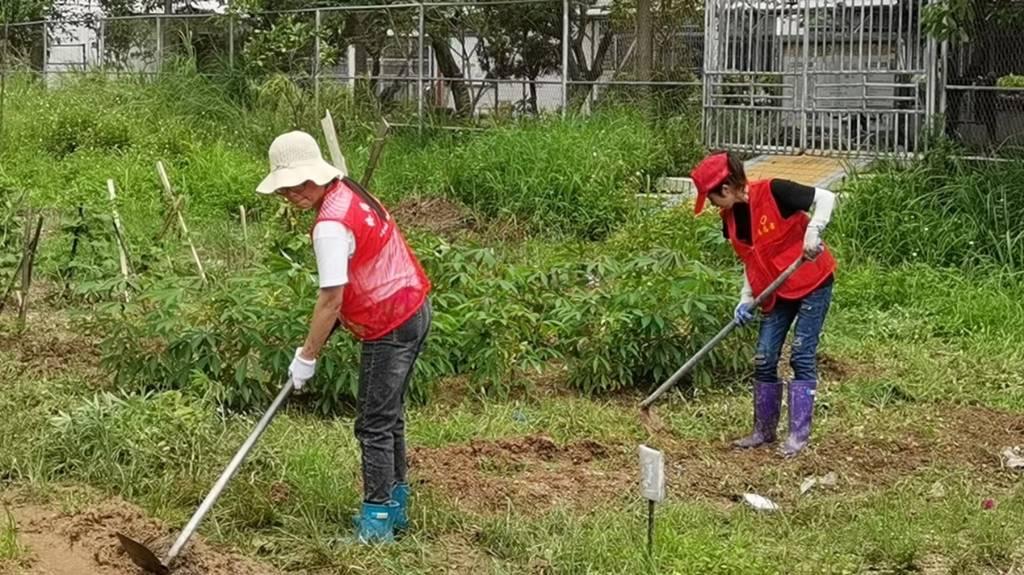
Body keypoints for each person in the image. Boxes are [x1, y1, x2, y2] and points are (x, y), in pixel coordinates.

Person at [256, 130, 432, 542]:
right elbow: (353, 276)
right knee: (389, 418)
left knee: (372, 424)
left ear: (313, 175)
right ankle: (396, 506)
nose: (291, 195)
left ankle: (376, 524)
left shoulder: (330, 225)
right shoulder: (349, 191)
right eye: (284, 188)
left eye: (297, 185)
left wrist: (307, 355)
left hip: (390, 321)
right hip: (413, 306)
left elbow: (331, 298)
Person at [690, 152, 836, 457]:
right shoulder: (728, 219)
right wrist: (745, 299)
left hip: (812, 281)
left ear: (726, 189)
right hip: (774, 291)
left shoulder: (775, 191)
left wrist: (812, 232)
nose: (713, 205)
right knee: (765, 358)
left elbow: (826, 197)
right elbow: (749, 261)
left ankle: (798, 435)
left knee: (801, 355)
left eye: (712, 198)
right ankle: (763, 431)